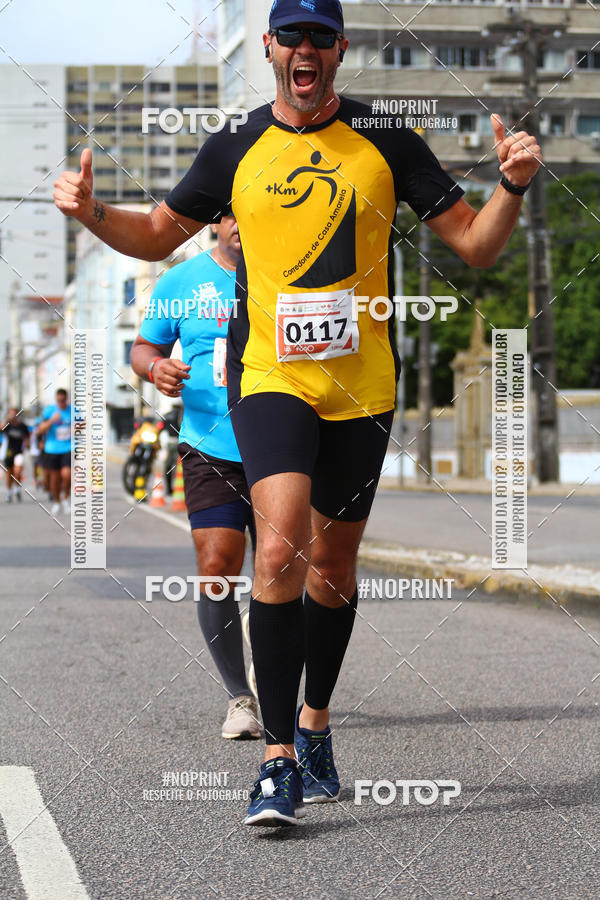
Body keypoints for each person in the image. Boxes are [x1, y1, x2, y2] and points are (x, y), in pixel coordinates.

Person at [53, 0, 542, 827]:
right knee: (277, 551)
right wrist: (91, 213)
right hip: (268, 375)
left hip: (362, 386)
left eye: (322, 36)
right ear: (272, 49)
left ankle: (316, 726)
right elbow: (155, 231)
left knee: (333, 568)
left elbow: (477, 244)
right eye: (292, 36)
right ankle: (277, 761)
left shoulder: (386, 138)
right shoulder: (236, 146)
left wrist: (513, 185)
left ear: (339, 49)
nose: (306, 50)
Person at [130, 214, 260, 741]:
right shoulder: (182, 281)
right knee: (216, 567)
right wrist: (154, 368)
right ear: (217, 222)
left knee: (286, 570)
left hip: (284, 447)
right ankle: (240, 698)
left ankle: (280, 671)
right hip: (209, 446)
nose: (239, 224)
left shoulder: (294, 276)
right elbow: (143, 347)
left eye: (248, 211)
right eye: (230, 213)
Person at [37, 388, 72, 516]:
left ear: (66, 399)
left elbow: (82, 426)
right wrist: (51, 420)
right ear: (56, 400)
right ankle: (57, 501)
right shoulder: (49, 411)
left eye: (63, 400)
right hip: (52, 449)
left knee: (67, 475)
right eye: (59, 401)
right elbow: (40, 430)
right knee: (55, 478)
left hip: (68, 447)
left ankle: (66, 499)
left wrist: (78, 427)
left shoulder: (73, 411)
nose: (61, 403)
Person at [0, 408, 30, 502]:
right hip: (8, 452)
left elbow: (27, 436)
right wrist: (6, 420)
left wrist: (28, 444)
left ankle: (17, 490)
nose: (13, 416)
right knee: (10, 474)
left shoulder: (22, 426)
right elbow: (1, 428)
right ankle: (9, 493)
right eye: (11, 414)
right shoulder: (7, 426)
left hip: (19, 452)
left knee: (17, 472)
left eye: (14, 414)